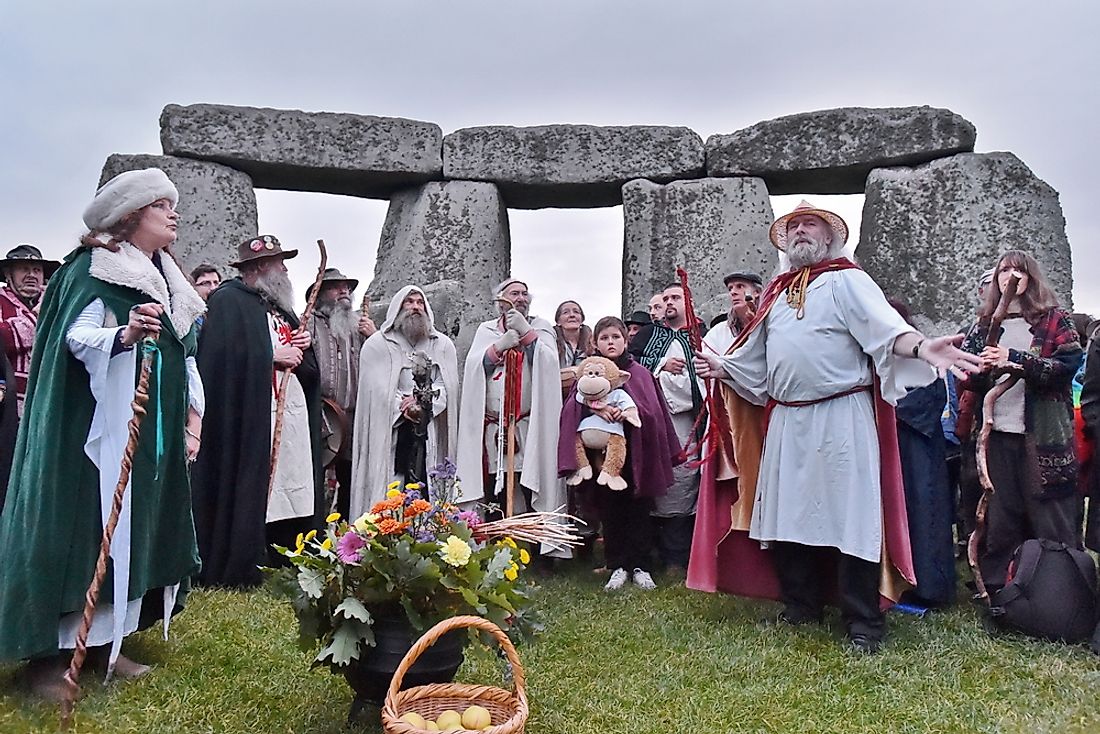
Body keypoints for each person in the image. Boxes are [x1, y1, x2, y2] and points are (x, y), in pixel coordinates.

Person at [691, 201, 981, 653]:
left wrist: (924, 348)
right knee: (787, 515)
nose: (801, 231)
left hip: (841, 414)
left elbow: (886, 332)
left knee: (851, 518)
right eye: (794, 227)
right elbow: (755, 364)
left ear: (830, 238)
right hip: (786, 418)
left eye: (811, 224)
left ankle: (863, 622)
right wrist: (722, 366)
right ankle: (800, 604)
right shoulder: (775, 294)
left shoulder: (848, 280)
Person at [0, 168, 205, 696]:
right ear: (132, 216)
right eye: (163, 205)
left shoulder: (167, 278)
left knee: (128, 531)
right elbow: (78, 338)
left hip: (145, 438)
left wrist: (191, 417)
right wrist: (126, 332)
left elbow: (183, 358)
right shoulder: (90, 273)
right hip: (86, 436)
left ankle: (106, 643)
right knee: (78, 529)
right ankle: (48, 657)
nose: (173, 213)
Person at [190, 235, 322, 589]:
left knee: (290, 481)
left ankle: (284, 553)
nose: (285, 269)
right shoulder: (228, 301)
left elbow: (304, 365)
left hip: (288, 411)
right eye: (280, 262)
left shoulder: (280, 307)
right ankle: (243, 560)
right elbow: (219, 358)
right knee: (253, 481)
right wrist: (270, 355)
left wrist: (303, 348)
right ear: (261, 266)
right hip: (250, 414)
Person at [959, 250, 1082, 592]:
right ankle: (1002, 592)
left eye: (1018, 269)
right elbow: (967, 377)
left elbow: (1066, 367)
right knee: (1001, 516)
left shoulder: (1054, 319)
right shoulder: (985, 324)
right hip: (997, 435)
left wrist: (1015, 360)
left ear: (1031, 277)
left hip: (1044, 436)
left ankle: (1064, 592)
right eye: (1003, 269)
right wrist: (977, 370)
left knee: (1051, 516)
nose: (1009, 275)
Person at [559, 317, 682, 590]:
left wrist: (626, 413)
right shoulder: (588, 374)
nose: (610, 342)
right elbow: (571, 409)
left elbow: (652, 412)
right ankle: (616, 564)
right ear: (595, 343)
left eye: (616, 337)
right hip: (603, 459)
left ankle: (640, 564)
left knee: (639, 509)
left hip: (637, 454)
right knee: (610, 508)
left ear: (625, 341)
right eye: (604, 338)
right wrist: (594, 410)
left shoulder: (640, 374)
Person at [456, 278, 565, 533]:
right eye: (514, 293)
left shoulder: (542, 327)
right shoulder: (486, 330)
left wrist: (527, 335)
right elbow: (474, 368)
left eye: (525, 294)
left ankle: (538, 549)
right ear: (501, 300)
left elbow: (549, 365)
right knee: (496, 482)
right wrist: (499, 346)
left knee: (531, 483)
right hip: (495, 426)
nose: (521, 298)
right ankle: (497, 543)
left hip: (529, 423)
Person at [351, 286, 459, 515]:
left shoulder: (442, 345)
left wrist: (423, 403)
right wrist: (404, 405)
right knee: (392, 486)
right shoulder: (378, 345)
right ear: (398, 308)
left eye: (420, 302)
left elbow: (447, 385)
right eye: (409, 302)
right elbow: (376, 388)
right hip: (392, 429)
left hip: (430, 430)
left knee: (429, 488)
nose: (415, 307)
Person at [629, 283, 704, 572]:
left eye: (676, 297)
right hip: (655, 421)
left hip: (688, 421)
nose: (670, 302)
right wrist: (660, 364)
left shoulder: (700, 336)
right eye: (666, 298)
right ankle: (646, 555)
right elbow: (630, 364)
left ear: (689, 301)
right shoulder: (649, 334)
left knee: (683, 482)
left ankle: (676, 557)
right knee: (653, 482)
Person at [889, 299, 956, 607]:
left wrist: (893, 414)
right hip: (900, 433)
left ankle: (927, 586)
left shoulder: (913, 355)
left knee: (922, 510)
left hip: (916, 439)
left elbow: (929, 395)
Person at [306, 267, 374, 518]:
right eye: (337, 287)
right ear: (321, 293)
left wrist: (374, 337)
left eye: (347, 287)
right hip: (319, 413)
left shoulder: (360, 326)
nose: (344, 291)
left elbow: (381, 362)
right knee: (314, 478)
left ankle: (348, 537)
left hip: (353, 417)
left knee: (351, 480)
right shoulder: (308, 322)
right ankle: (313, 540)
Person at [0, 244, 61, 415]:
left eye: (37, 270)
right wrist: (37, 317)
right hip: (6, 409)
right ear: (8, 274)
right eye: (24, 269)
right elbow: (3, 339)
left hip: (47, 404)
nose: (31, 275)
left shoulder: (59, 305)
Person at [702, 271, 763, 357]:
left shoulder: (769, 324)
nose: (733, 292)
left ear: (756, 292)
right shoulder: (719, 332)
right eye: (730, 288)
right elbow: (704, 360)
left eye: (740, 286)